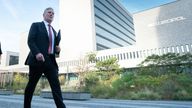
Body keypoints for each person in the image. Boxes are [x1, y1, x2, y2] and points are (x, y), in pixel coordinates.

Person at [24, 7, 66, 108]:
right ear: (43, 15)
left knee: (56, 87)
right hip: (37, 61)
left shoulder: (54, 31)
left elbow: (53, 49)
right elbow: (31, 41)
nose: (51, 14)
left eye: (53, 13)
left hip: (50, 62)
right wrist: (37, 53)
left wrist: (57, 50)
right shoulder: (36, 25)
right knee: (31, 86)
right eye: (49, 12)